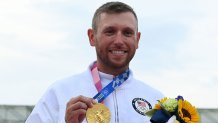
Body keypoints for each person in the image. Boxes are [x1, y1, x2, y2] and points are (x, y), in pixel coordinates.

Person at [26, 2, 164, 123]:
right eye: (110, 32)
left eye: (127, 33)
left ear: (137, 39)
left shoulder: (156, 100)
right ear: (92, 37)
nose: (119, 41)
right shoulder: (59, 93)